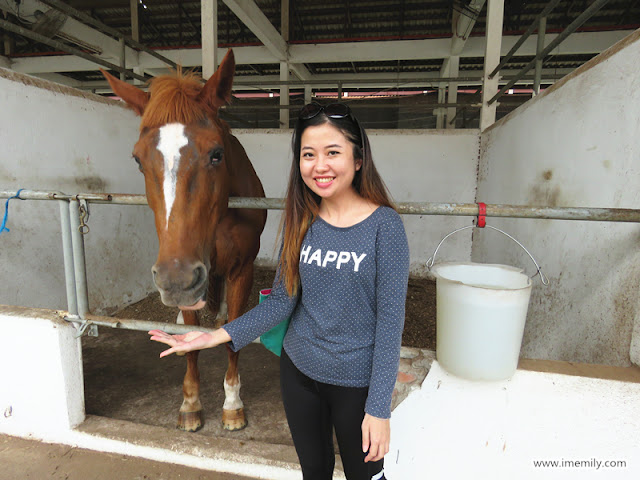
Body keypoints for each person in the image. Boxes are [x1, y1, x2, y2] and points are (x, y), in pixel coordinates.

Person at [149, 102, 410, 480]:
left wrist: (379, 408)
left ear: (357, 159)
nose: (320, 165)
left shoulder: (385, 226)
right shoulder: (302, 221)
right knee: (313, 472)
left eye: (332, 152)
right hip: (299, 373)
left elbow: (390, 325)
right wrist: (209, 338)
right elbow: (282, 302)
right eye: (308, 154)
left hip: (357, 384)